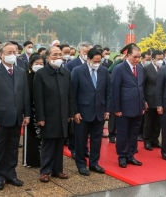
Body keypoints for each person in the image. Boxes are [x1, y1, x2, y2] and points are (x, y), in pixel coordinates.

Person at [0, 42, 31, 190]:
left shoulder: (20, 71)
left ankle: (10, 173)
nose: (12, 55)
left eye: (14, 52)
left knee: (12, 148)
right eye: (9, 52)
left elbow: (25, 95)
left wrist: (27, 114)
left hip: (17, 117)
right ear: (1, 55)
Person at [33, 46, 75, 182]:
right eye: (55, 55)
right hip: (48, 115)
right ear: (48, 57)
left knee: (59, 143)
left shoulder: (66, 73)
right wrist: (40, 117)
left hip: (62, 115)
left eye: (60, 54)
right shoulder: (41, 74)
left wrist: (70, 113)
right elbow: (38, 98)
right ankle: (45, 171)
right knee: (48, 144)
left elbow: (70, 95)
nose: (58, 57)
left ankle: (58, 169)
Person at [72, 48, 111, 176]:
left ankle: (94, 163)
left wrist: (107, 109)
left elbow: (108, 92)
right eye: (95, 61)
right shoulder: (78, 71)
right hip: (83, 112)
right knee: (81, 140)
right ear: (88, 59)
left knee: (96, 140)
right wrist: (75, 112)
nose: (97, 63)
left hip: (99, 111)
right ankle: (81, 164)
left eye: (99, 61)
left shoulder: (104, 71)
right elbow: (73, 94)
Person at [111, 44, 145, 168]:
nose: (137, 60)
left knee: (134, 133)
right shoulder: (119, 68)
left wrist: (143, 103)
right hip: (124, 108)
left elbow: (141, 87)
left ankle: (131, 154)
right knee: (123, 133)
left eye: (139, 57)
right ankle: (122, 156)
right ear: (128, 55)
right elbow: (115, 89)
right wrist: (117, 108)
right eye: (135, 57)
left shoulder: (140, 68)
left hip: (137, 107)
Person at [23, 53, 45, 167]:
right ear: (31, 65)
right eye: (37, 64)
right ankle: (31, 160)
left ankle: (43, 159)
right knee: (31, 137)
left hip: (43, 112)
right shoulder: (26, 77)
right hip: (30, 111)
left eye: (42, 64)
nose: (39, 66)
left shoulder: (45, 77)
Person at [142, 50, 163, 151]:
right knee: (149, 121)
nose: (160, 61)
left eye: (162, 59)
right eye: (159, 59)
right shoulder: (146, 69)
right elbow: (142, 85)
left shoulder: (163, 68)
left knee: (158, 122)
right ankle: (147, 141)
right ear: (153, 59)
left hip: (161, 100)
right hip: (150, 99)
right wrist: (144, 100)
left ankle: (155, 139)